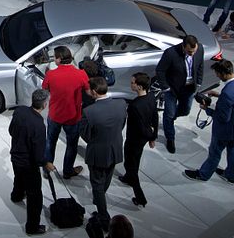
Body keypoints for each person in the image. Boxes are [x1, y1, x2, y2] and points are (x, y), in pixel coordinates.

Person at [184, 60, 234, 184]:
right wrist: (220, 96)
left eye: (217, 74)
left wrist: (207, 109)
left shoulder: (228, 93)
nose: (217, 76)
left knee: (215, 152)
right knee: (233, 149)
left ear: (223, 74)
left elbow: (223, 117)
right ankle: (230, 175)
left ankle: (203, 175)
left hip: (225, 131)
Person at [80, 77, 127, 231]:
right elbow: (121, 125)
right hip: (115, 148)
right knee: (107, 177)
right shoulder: (121, 104)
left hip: (98, 153)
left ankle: (103, 216)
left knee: (97, 184)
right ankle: (99, 199)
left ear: (93, 92)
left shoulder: (88, 111)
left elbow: (86, 135)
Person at [9, 88, 54, 235]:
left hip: (15, 156)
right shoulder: (39, 125)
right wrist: (46, 163)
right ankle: (32, 227)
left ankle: (16, 196)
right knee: (35, 195)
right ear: (45, 105)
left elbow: (11, 130)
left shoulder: (20, 111)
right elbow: (38, 153)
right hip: (29, 164)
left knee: (18, 178)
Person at [42, 46, 91, 179]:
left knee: (50, 142)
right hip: (73, 117)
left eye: (54, 57)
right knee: (72, 145)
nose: (53, 59)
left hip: (55, 115)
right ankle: (68, 171)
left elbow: (45, 89)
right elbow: (89, 93)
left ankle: (47, 169)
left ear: (59, 59)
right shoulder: (81, 74)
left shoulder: (50, 74)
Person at [155, 35, 204, 154]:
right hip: (172, 89)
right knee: (169, 114)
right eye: (189, 51)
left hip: (189, 88)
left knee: (185, 111)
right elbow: (160, 70)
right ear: (183, 46)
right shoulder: (170, 53)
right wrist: (165, 87)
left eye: (194, 51)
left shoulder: (200, 49)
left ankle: (170, 118)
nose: (192, 54)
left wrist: (199, 82)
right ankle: (170, 138)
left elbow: (200, 65)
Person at [119, 73, 158, 208]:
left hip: (134, 139)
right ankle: (128, 177)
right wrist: (153, 137)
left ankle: (140, 197)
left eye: (132, 83)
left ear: (139, 86)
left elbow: (141, 127)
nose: (131, 85)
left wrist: (149, 136)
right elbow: (155, 117)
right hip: (142, 139)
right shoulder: (152, 97)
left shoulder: (135, 106)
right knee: (135, 160)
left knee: (131, 164)